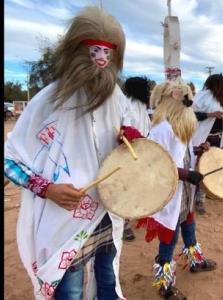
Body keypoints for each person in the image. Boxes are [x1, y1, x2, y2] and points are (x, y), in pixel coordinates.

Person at [4, 7, 142, 300]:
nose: (102, 59)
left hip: (106, 212)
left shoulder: (116, 98)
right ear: (78, 51)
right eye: (95, 51)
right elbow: (9, 159)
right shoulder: (48, 100)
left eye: (108, 53)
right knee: (69, 292)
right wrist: (47, 188)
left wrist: (128, 139)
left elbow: (129, 139)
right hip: (63, 222)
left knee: (108, 282)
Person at [136, 80, 216, 300]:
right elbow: (154, 163)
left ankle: (195, 260)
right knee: (170, 237)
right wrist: (186, 175)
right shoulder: (161, 128)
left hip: (185, 191)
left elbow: (182, 154)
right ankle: (165, 282)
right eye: (186, 101)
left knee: (189, 225)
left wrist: (199, 150)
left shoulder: (179, 125)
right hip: (170, 191)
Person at [122, 76, 152, 241]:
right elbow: (126, 130)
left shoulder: (142, 107)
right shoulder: (128, 106)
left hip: (142, 152)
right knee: (128, 188)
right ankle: (124, 224)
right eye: (146, 89)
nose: (148, 93)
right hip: (129, 154)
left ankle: (138, 215)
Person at [191, 74, 223, 215]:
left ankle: (201, 199)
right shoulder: (201, 96)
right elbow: (191, 115)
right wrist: (212, 115)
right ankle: (192, 198)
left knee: (208, 169)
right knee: (195, 168)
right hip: (199, 138)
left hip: (214, 138)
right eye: (220, 83)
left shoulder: (219, 98)